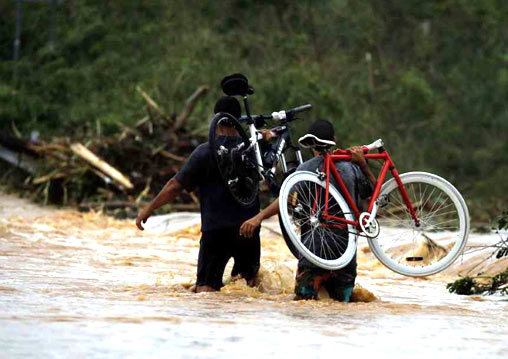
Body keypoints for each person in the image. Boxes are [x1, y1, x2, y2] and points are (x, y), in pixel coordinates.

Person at [135, 95, 273, 293]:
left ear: (216, 119)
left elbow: (175, 185)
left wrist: (149, 208)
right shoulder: (254, 151)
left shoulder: (205, 151)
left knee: (205, 291)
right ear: (238, 119)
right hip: (248, 230)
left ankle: (210, 324)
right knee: (247, 290)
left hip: (216, 232)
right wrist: (265, 140)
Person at [239, 119, 377, 302]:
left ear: (311, 144)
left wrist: (258, 217)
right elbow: (376, 194)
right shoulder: (352, 168)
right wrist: (364, 165)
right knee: (342, 310)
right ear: (333, 140)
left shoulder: (305, 169)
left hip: (313, 251)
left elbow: (286, 199)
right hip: (345, 253)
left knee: (304, 305)